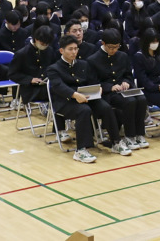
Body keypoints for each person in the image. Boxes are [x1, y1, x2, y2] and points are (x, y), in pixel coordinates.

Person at [45, 34, 131, 164]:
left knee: (105, 107)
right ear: (61, 50)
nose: (74, 52)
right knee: (84, 110)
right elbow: (59, 87)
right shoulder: (54, 68)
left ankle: (116, 142)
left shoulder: (84, 64)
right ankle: (80, 150)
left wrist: (99, 88)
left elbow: (92, 81)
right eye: (70, 49)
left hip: (86, 98)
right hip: (65, 102)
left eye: (76, 48)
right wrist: (75, 95)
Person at [88, 29, 149, 150]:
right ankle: (129, 136)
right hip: (108, 94)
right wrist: (109, 87)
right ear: (103, 43)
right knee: (130, 101)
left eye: (116, 47)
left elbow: (128, 75)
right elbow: (93, 83)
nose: (114, 50)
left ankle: (139, 134)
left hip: (124, 90)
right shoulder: (93, 60)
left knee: (142, 99)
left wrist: (126, 82)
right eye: (111, 47)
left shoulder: (123, 56)